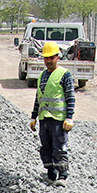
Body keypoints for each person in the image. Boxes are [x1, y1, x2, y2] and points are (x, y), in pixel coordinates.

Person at [28, 40, 75, 182]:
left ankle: (63, 175)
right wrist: (33, 117)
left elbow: (70, 96)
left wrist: (69, 117)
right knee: (46, 148)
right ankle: (51, 172)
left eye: (51, 58)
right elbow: (39, 98)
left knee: (59, 147)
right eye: (46, 58)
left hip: (58, 119)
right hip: (44, 119)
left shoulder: (64, 75)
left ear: (57, 57)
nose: (48, 61)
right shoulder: (42, 75)